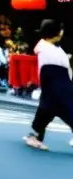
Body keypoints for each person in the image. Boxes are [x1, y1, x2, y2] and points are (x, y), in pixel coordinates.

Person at [24, 19, 73, 151]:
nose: (62, 32)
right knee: (63, 107)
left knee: (47, 109)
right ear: (56, 33)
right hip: (54, 79)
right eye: (60, 29)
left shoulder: (53, 47)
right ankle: (34, 136)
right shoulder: (44, 46)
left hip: (59, 80)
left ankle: (34, 136)